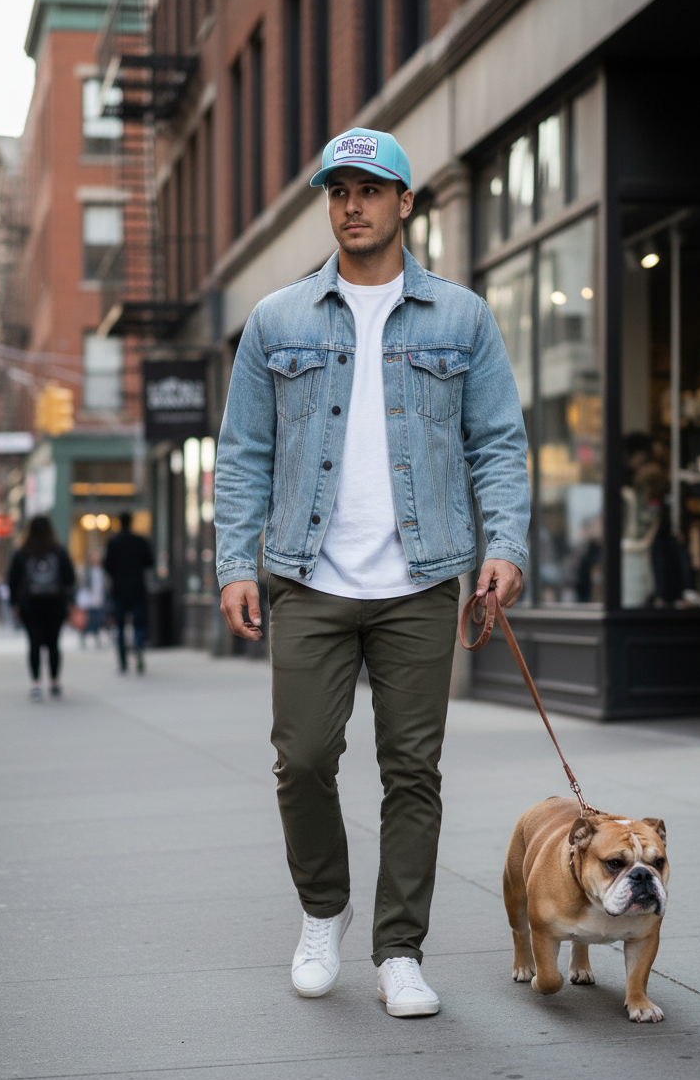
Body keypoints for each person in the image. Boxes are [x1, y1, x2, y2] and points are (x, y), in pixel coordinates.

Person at [215, 127, 530, 1018]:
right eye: (337, 190)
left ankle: (400, 949)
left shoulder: (462, 317)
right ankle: (325, 909)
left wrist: (503, 546)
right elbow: (241, 454)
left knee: (412, 771)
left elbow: (498, 444)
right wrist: (237, 561)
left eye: (368, 188)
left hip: (422, 581)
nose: (350, 204)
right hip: (309, 578)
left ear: (405, 203)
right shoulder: (278, 319)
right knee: (303, 759)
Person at [9, 516, 75, 701]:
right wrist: (69, 601)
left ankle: (36, 684)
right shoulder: (58, 551)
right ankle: (54, 682)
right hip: (55, 605)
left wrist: (14, 605)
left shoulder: (22, 552)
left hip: (30, 606)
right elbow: (70, 578)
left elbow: (12, 581)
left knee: (34, 644)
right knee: (54, 644)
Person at [104, 511, 154, 674]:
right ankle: (139, 648)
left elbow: (107, 566)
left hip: (119, 590)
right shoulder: (139, 541)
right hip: (137, 588)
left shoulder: (113, 542)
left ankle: (123, 659)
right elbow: (149, 562)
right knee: (139, 623)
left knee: (119, 626)